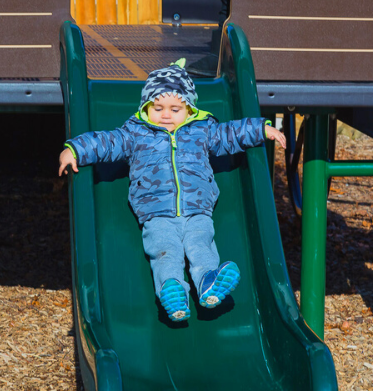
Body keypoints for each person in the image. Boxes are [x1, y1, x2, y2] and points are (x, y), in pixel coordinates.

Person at [59, 58, 286, 322]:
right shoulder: (136, 134)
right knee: (165, 250)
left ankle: (208, 283)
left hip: (198, 210)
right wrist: (74, 149)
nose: (166, 114)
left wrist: (262, 129)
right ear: (146, 107)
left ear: (189, 110)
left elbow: (230, 134)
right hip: (157, 215)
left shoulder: (202, 130)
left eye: (175, 109)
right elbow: (107, 143)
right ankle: (172, 290)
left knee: (201, 245)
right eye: (158, 107)